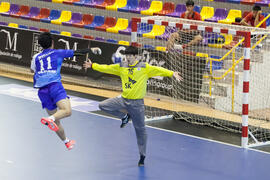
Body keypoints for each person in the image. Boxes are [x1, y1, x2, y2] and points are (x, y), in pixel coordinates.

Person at [83, 46, 182, 166]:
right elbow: (108, 68)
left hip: (137, 105)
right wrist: (93, 65)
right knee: (102, 105)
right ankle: (124, 116)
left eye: (130, 55)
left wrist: (172, 73)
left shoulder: (144, 67)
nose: (128, 58)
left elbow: (159, 69)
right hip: (123, 99)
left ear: (136, 56)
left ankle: (142, 155)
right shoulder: (122, 66)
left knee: (140, 130)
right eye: (126, 55)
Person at [31, 32, 101, 150]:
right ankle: (50, 119)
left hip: (42, 90)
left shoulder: (36, 57)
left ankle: (66, 142)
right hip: (54, 86)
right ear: (52, 43)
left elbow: (33, 71)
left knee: (56, 121)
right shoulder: (58, 52)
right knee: (66, 111)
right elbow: (77, 52)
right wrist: (91, 49)